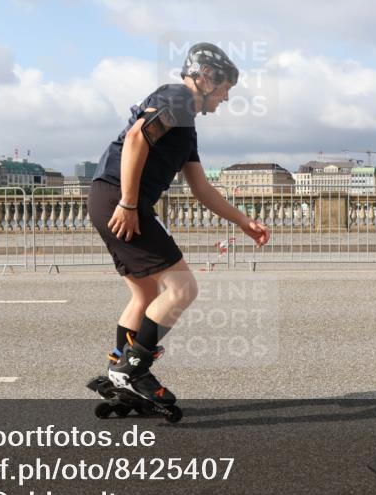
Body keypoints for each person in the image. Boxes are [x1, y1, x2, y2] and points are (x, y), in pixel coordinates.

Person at [86, 42, 270, 413]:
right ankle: (133, 372)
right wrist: (129, 202)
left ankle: (119, 371)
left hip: (107, 197)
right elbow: (138, 136)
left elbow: (202, 189)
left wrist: (244, 222)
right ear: (206, 78)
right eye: (225, 89)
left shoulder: (187, 124)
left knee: (145, 295)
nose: (226, 98)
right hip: (120, 200)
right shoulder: (179, 98)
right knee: (183, 288)